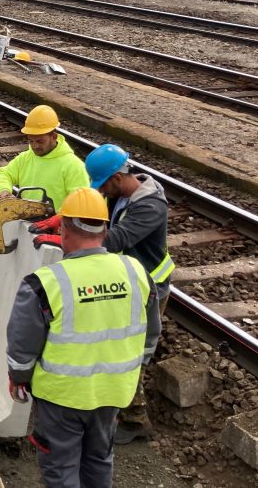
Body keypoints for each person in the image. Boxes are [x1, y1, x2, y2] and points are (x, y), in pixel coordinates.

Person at [6, 187, 160, 488]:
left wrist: (19, 377)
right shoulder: (136, 271)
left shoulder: (45, 283)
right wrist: (131, 368)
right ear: (106, 228)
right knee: (99, 460)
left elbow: (22, 344)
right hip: (114, 392)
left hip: (63, 397)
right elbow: (151, 334)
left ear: (63, 229)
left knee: (61, 468)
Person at [86, 143, 175, 444]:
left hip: (149, 288)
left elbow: (116, 238)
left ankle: (136, 418)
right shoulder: (123, 196)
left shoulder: (150, 206)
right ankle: (120, 405)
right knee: (122, 346)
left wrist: (72, 234)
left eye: (103, 186)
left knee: (133, 350)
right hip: (131, 283)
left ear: (117, 178)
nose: (102, 192)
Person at [0, 104, 88, 214]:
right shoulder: (25, 158)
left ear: (54, 136)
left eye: (40, 141)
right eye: (31, 141)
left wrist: (57, 219)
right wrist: (4, 190)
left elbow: (80, 203)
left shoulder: (74, 166)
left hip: (56, 229)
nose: (35, 146)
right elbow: (4, 174)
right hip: (27, 223)